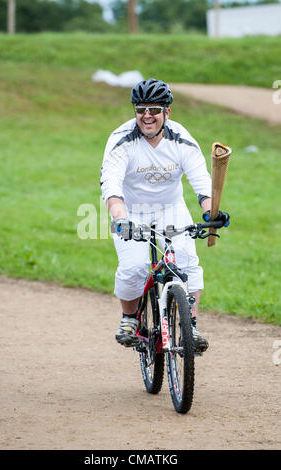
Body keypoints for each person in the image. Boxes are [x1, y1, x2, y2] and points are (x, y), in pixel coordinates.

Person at [100, 78, 229, 352]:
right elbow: (110, 184)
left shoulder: (181, 139)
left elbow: (201, 180)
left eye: (154, 109)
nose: (147, 116)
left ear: (167, 112)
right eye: (140, 109)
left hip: (171, 208)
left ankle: (190, 327)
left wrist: (210, 211)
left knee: (187, 263)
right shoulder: (121, 140)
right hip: (131, 211)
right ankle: (130, 318)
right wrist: (120, 218)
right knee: (133, 267)